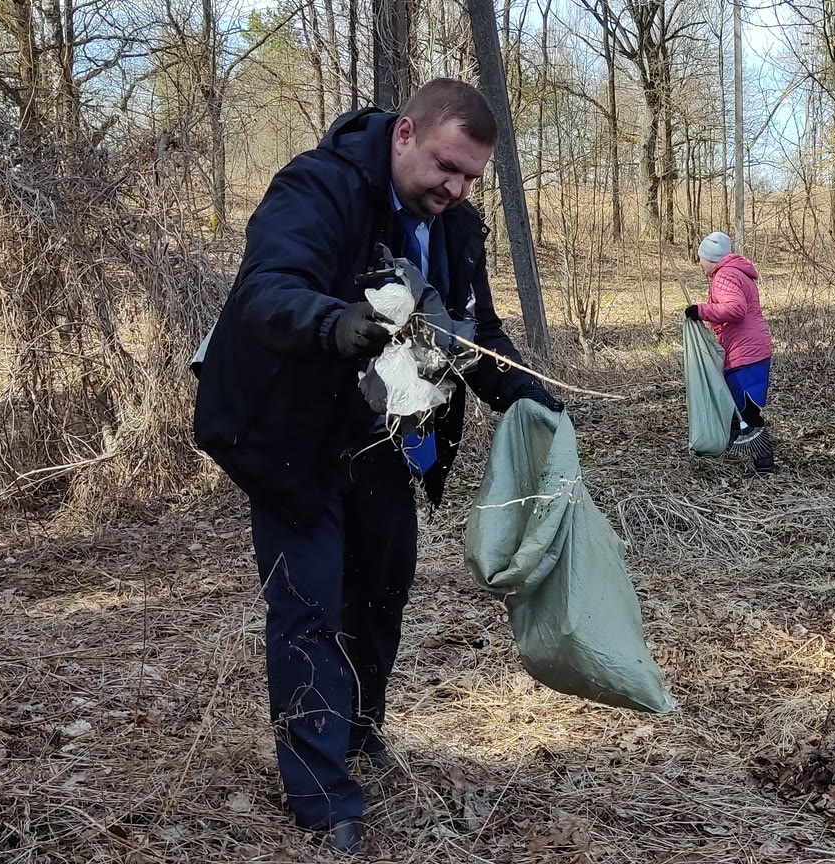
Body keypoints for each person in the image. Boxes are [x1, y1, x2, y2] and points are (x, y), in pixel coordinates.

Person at [191, 79, 560, 854]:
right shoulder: (318, 187)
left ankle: (359, 731)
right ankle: (322, 794)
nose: (453, 190)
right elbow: (266, 292)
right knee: (310, 607)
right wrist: (336, 321)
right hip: (294, 434)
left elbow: (475, 331)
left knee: (382, 593)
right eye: (444, 167)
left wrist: (520, 388)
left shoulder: (457, 227)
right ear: (403, 135)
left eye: (468, 178)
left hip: (388, 437)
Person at [685, 231, 775, 476]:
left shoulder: (725, 274)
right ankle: (742, 454)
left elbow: (735, 309)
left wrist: (700, 311)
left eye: (701, 259)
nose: (700, 264)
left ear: (710, 258)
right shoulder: (737, 272)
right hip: (751, 348)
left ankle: (764, 465)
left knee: (746, 409)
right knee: (740, 407)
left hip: (745, 352)